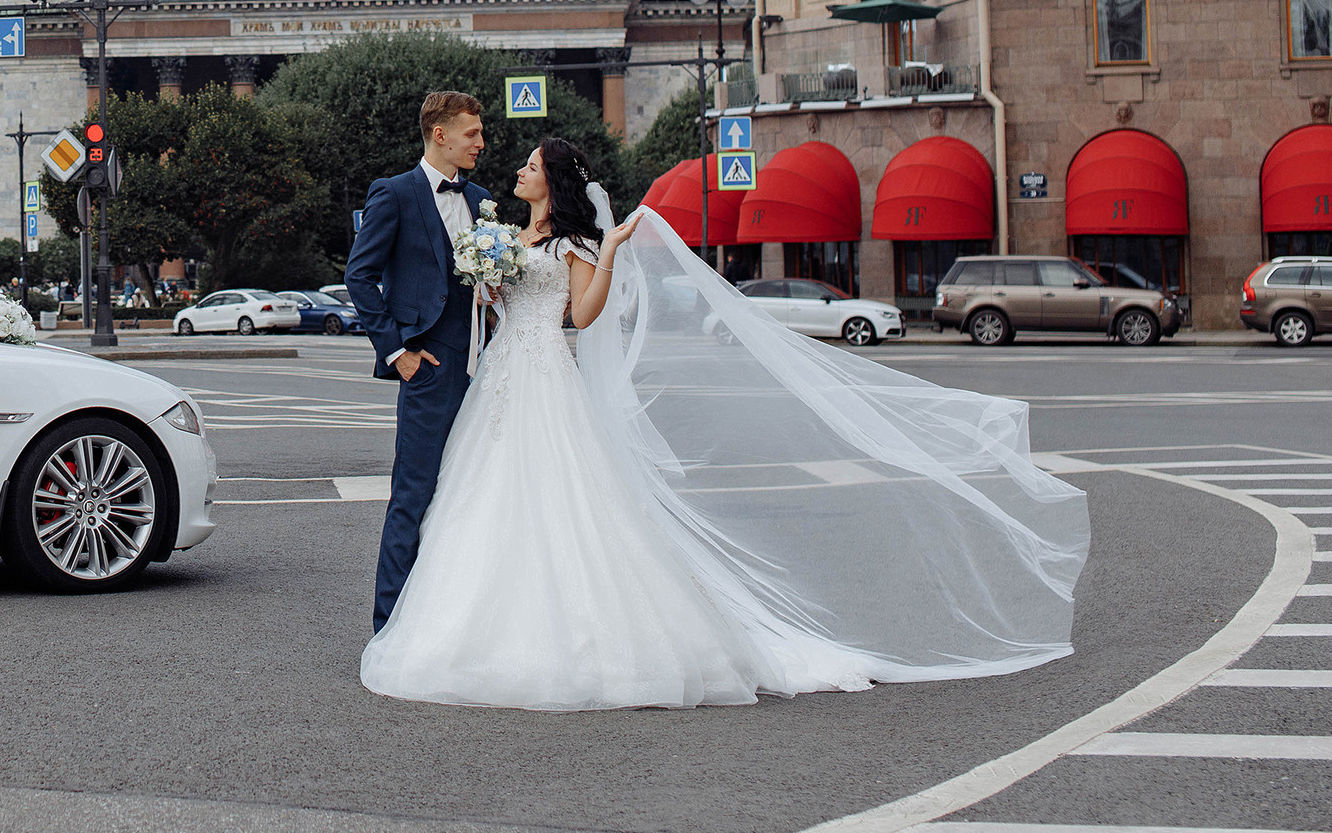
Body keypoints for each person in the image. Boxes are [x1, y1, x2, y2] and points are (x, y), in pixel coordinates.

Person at [359, 136, 1090, 711]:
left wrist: (609, 254)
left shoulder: (577, 245)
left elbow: (580, 317)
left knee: (563, 503)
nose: (515, 168)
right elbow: (495, 303)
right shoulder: (508, 231)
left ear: (552, 178)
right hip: (501, 382)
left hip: (547, 374)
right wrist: (488, 282)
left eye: (527, 163)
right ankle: (476, 627)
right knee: (485, 503)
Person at [344, 89, 489, 635]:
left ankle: (456, 622)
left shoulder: (482, 200)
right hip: (429, 366)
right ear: (440, 134)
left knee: (473, 489)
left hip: (487, 367)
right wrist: (398, 351)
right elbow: (361, 275)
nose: (481, 142)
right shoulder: (395, 194)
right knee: (414, 492)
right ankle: (390, 629)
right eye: (471, 133)